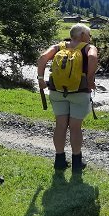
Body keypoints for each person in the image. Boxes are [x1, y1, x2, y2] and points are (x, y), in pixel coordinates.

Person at [37, 23, 98, 172]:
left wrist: (40, 78)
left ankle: (59, 160)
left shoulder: (59, 47)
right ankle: (77, 162)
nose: (89, 38)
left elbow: (43, 57)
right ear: (82, 35)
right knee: (75, 128)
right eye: (89, 35)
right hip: (79, 92)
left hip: (57, 91)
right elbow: (92, 59)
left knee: (60, 125)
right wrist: (90, 80)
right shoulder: (88, 48)